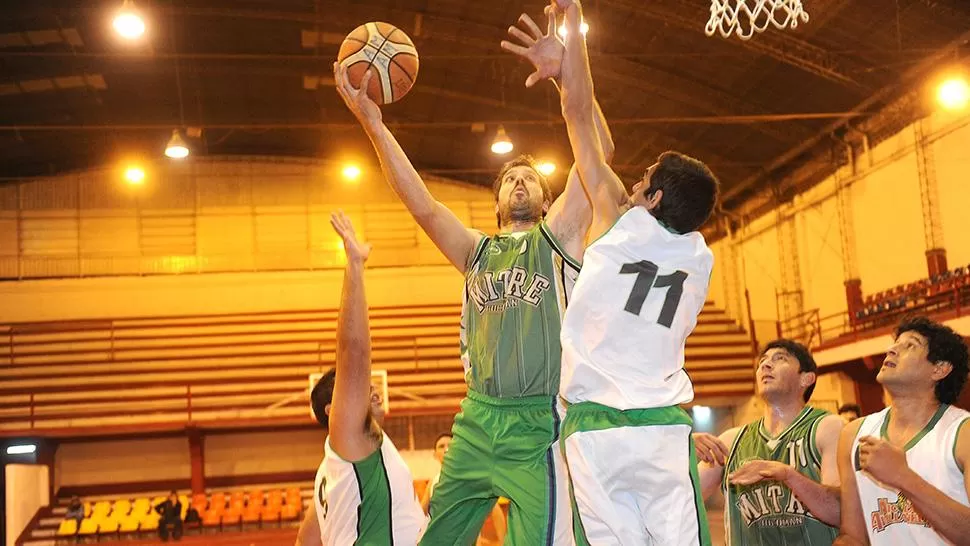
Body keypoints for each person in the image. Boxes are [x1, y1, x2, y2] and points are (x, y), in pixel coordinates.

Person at [334, 9, 616, 544]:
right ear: (495, 202)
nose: (518, 183)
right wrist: (372, 120)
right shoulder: (475, 250)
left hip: (540, 424)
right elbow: (420, 203)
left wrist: (568, 77)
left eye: (529, 179)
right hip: (477, 420)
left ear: (547, 198)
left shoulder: (559, 237)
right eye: (511, 178)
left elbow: (598, 152)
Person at [541, 1, 719, 543]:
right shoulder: (700, 257)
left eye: (643, 179)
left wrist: (573, 33)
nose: (633, 181)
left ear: (654, 196)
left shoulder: (615, 221)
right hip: (663, 427)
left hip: (597, 427)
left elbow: (579, 119)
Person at [295, 212, 426, 546]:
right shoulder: (350, 436)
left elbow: (305, 542)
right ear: (332, 410)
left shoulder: (330, 472)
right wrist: (354, 264)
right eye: (364, 390)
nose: (375, 393)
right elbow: (353, 351)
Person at [836, 316, 970, 546]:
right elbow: (852, 535)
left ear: (939, 369)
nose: (892, 350)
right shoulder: (853, 435)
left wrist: (903, 477)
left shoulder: (962, 433)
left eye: (910, 345)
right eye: (895, 343)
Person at [696, 339, 842, 545]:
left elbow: (839, 511)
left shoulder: (827, 428)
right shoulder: (731, 440)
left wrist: (789, 476)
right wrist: (682, 444)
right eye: (762, 361)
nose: (765, 365)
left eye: (780, 358)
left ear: (806, 379)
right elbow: (682, 500)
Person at [419, 432, 507, 545]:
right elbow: (420, 515)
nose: (446, 449)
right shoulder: (433, 483)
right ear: (435, 454)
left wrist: (503, 542)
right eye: (441, 446)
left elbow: (495, 511)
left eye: (450, 445)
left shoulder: (471, 479)